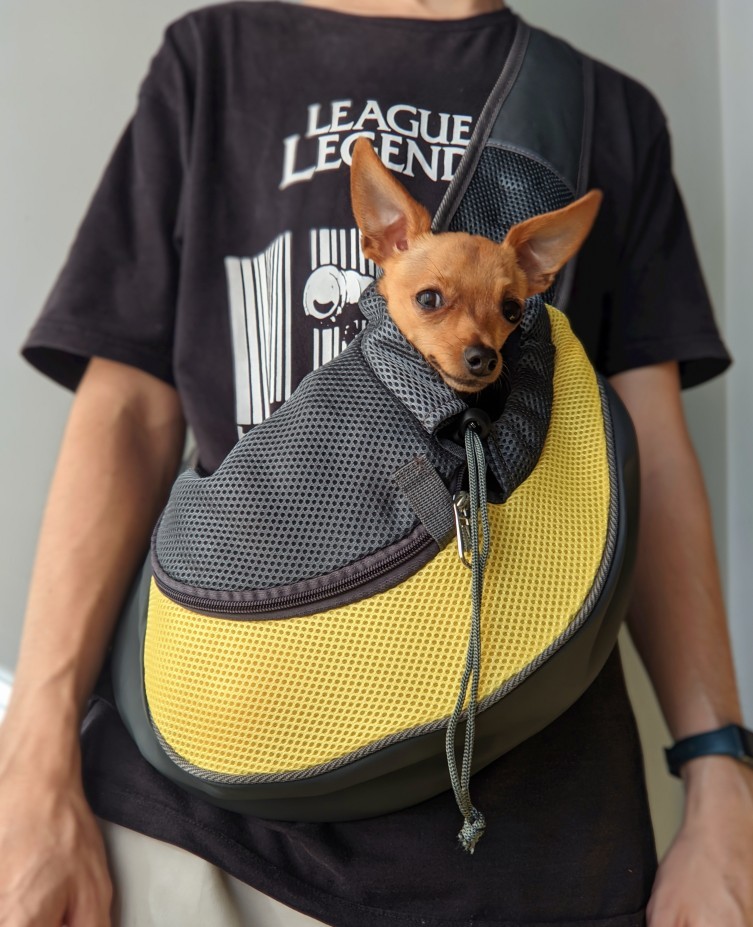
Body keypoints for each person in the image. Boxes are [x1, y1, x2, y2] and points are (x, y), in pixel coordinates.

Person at [2, 1, 752, 925]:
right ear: (382, 241)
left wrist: (719, 774)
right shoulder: (215, 59)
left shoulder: (601, 110)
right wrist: (32, 757)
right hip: (202, 811)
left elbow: (649, 463)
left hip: (527, 831)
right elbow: (124, 413)